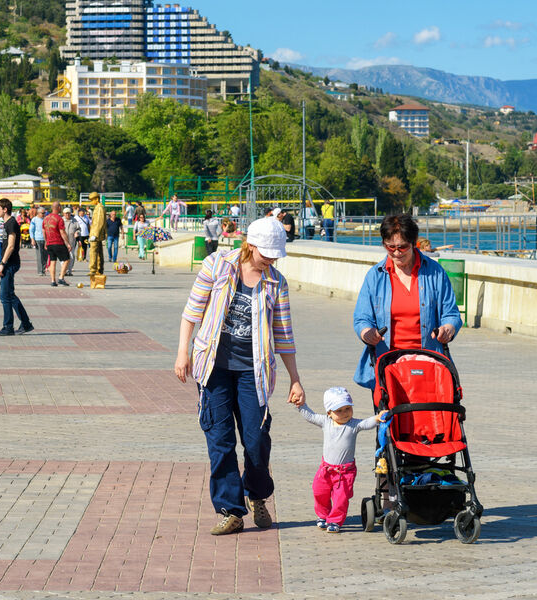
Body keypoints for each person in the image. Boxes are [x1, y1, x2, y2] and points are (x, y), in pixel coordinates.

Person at [174, 216, 304, 536]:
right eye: (266, 254)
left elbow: (283, 334)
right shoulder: (216, 265)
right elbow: (192, 312)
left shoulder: (276, 282)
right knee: (220, 440)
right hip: (214, 368)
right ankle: (231, 510)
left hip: (254, 373)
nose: (271, 260)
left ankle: (258, 495)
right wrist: (182, 352)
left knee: (256, 440)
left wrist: (295, 379)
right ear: (249, 244)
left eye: (275, 255)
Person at [352, 214, 463, 391]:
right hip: (388, 365)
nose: (396, 253)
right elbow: (361, 318)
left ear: (413, 243)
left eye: (402, 247)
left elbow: (451, 314)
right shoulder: (375, 276)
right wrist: (367, 332)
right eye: (390, 247)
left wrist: (448, 328)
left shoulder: (435, 272)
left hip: (428, 362)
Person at [296, 387, 385, 533]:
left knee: (340, 498)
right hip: (325, 469)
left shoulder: (353, 425)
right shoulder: (325, 422)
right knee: (319, 492)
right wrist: (300, 405)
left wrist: (377, 418)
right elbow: (310, 416)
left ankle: (335, 520)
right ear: (329, 413)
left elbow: (366, 423)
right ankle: (323, 516)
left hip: (345, 472)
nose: (344, 413)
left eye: (347, 408)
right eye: (339, 410)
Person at [0, 198, 33, 336]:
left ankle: (8, 327)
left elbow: (11, 246)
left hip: (10, 263)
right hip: (9, 262)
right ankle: (26, 323)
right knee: (9, 295)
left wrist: (2, 265)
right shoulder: (7, 223)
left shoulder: (11, 223)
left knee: (4, 296)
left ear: (5, 209)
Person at [43, 201, 70, 287]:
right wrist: (68, 243)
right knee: (67, 259)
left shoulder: (46, 218)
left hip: (49, 243)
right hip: (58, 242)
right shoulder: (59, 219)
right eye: (60, 207)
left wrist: (46, 242)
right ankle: (61, 278)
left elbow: (44, 231)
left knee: (52, 261)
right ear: (58, 208)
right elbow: (62, 232)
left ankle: (53, 281)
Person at [87, 192, 106, 280]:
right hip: (95, 233)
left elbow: (99, 222)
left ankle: (93, 269)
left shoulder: (99, 208)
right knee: (99, 253)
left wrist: (95, 234)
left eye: (92, 200)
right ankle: (99, 269)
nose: (91, 202)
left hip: (96, 233)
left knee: (93, 252)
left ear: (97, 199)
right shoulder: (98, 208)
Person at [29, 205, 47, 275]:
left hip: (45, 239)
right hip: (38, 239)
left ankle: (44, 269)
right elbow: (31, 230)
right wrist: (32, 239)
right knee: (39, 256)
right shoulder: (34, 219)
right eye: (42, 213)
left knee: (45, 255)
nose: (43, 214)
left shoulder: (46, 219)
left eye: (44, 213)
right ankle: (40, 271)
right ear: (38, 213)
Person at [64, 207, 81, 276]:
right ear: (64, 214)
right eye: (66, 213)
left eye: (69, 213)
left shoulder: (74, 221)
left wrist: (77, 232)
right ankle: (64, 270)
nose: (67, 215)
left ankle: (69, 270)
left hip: (71, 241)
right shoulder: (61, 220)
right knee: (63, 257)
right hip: (63, 241)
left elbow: (79, 229)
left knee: (71, 256)